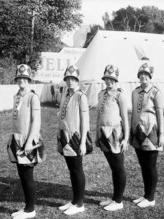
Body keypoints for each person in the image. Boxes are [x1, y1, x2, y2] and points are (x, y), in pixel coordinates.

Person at [8, 64, 44, 219]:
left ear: (29, 79)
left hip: (27, 140)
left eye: (24, 78)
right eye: (19, 78)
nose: (21, 80)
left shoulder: (32, 97)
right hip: (17, 138)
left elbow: (36, 121)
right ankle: (27, 207)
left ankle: (30, 209)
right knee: (22, 174)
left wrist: (29, 142)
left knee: (27, 174)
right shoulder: (17, 96)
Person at [130, 60, 164, 208]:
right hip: (138, 132)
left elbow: (160, 114)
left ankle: (151, 198)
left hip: (151, 133)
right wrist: (131, 132)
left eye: (146, 74)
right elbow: (134, 113)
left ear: (150, 76)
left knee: (150, 166)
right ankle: (145, 195)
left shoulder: (156, 92)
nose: (144, 77)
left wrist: (162, 134)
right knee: (143, 165)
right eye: (141, 74)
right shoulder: (135, 91)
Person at [57, 65, 90, 215]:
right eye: (68, 79)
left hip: (75, 138)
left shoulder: (81, 96)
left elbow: (85, 121)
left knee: (77, 170)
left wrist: (83, 142)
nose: (70, 81)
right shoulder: (66, 93)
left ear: (78, 80)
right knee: (71, 170)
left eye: (73, 79)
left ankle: (80, 203)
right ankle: (75, 200)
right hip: (65, 136)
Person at [95, 65, 129, 211]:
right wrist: (97, 134)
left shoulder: (120, 95)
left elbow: (125, 118)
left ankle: (119, 201)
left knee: (118, 167)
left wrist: (126, 138)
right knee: (113, 167)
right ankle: (114, 198)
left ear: (116, 79)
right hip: (103, 132)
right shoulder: (101, 94)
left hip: (115, 133)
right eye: (107, 79)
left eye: (112, 79)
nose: (109, 81)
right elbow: (98, 116)